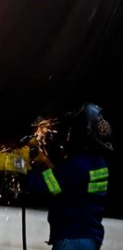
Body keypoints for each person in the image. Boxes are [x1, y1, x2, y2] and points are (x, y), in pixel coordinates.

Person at [25, 103, 114, 250]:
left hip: (71, 238)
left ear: (81, 131)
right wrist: (39, 158)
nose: (68, 135)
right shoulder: (99, 163)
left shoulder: (77, 164)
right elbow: (65, 181)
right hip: (90, 237)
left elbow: (44, 186)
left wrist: (23, 168)